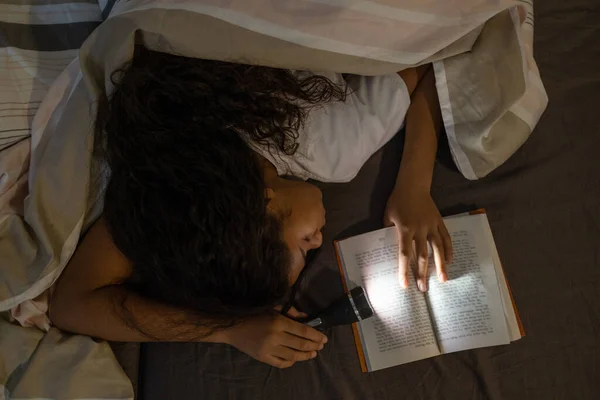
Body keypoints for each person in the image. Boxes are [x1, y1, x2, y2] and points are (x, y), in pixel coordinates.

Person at [49, 46, 452, 369]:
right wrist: (229, 329)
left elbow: (437, 50)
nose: (318, 240)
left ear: (264, 201)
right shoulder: (168, 171)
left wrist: (413, 187)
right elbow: (69, 305)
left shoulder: (334, 148)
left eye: (302, 243)